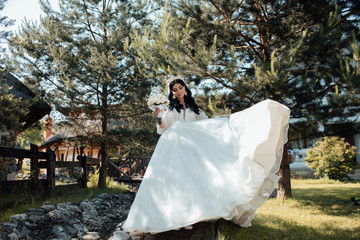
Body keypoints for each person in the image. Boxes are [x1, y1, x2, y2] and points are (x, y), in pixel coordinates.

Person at [122, 76, 290, 234]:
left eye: (181, 87)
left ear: (185, 89)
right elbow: (162, 128)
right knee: (172, 181)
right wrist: (159, 115)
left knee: (190, 181)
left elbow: (206, 124)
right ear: (171, 92)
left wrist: (225, 119)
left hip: (191, 149)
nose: (178, 91)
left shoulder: (195, 108)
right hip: (172, 147)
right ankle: (169, 217)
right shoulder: (169, 109)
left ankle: (185, 217)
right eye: (175, 89)